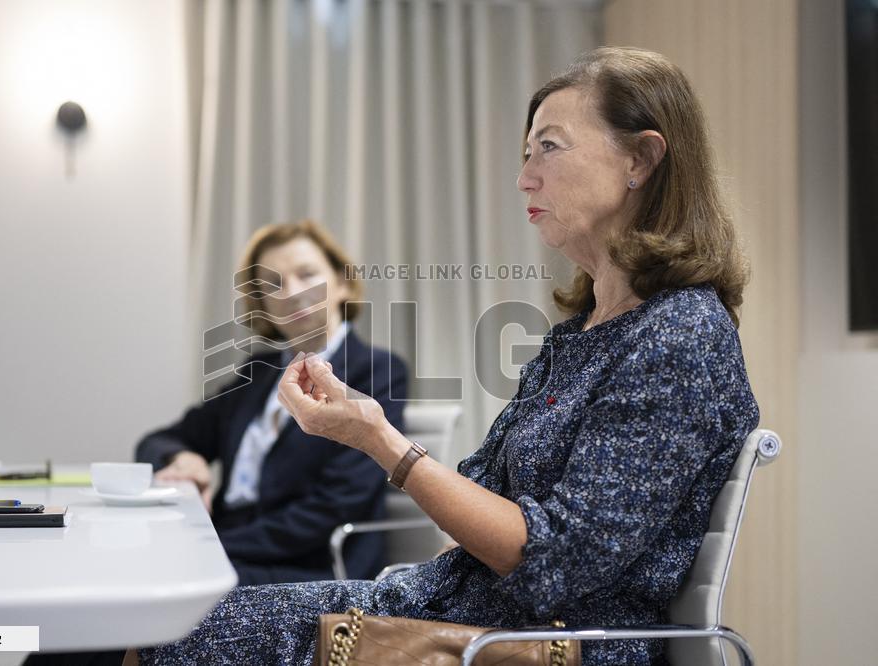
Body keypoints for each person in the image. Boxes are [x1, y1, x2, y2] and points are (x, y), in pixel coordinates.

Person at [136, 46, 759, 666]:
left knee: (165, 633)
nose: (524, 177)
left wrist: (378, 438)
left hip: (535, 643)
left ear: (641, 160)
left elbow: (557, 565)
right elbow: (482, 493)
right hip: (456, 608)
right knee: (146, 627)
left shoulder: (679, 334)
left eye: (550, 146)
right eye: (525, 153)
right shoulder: (576, 336)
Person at [137, 219, 408, 585]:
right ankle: (37, 639)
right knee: (110, 581)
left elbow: (337, 504)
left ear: (343, 284)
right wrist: (181, 456)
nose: (291, 292)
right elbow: (156, 441)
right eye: (273, 284)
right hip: (225, 549)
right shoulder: (258, 372)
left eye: (307, 274)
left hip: (306, 567)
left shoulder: (376, 371)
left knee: (132, 587)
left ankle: (41, 640)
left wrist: (209, 543)